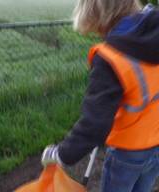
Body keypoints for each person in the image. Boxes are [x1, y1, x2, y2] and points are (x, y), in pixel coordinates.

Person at [41, 1, 159, 191]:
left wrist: (61, 154)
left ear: (98, 15)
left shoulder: (110, 58)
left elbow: (94, 125)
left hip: (127, 153)